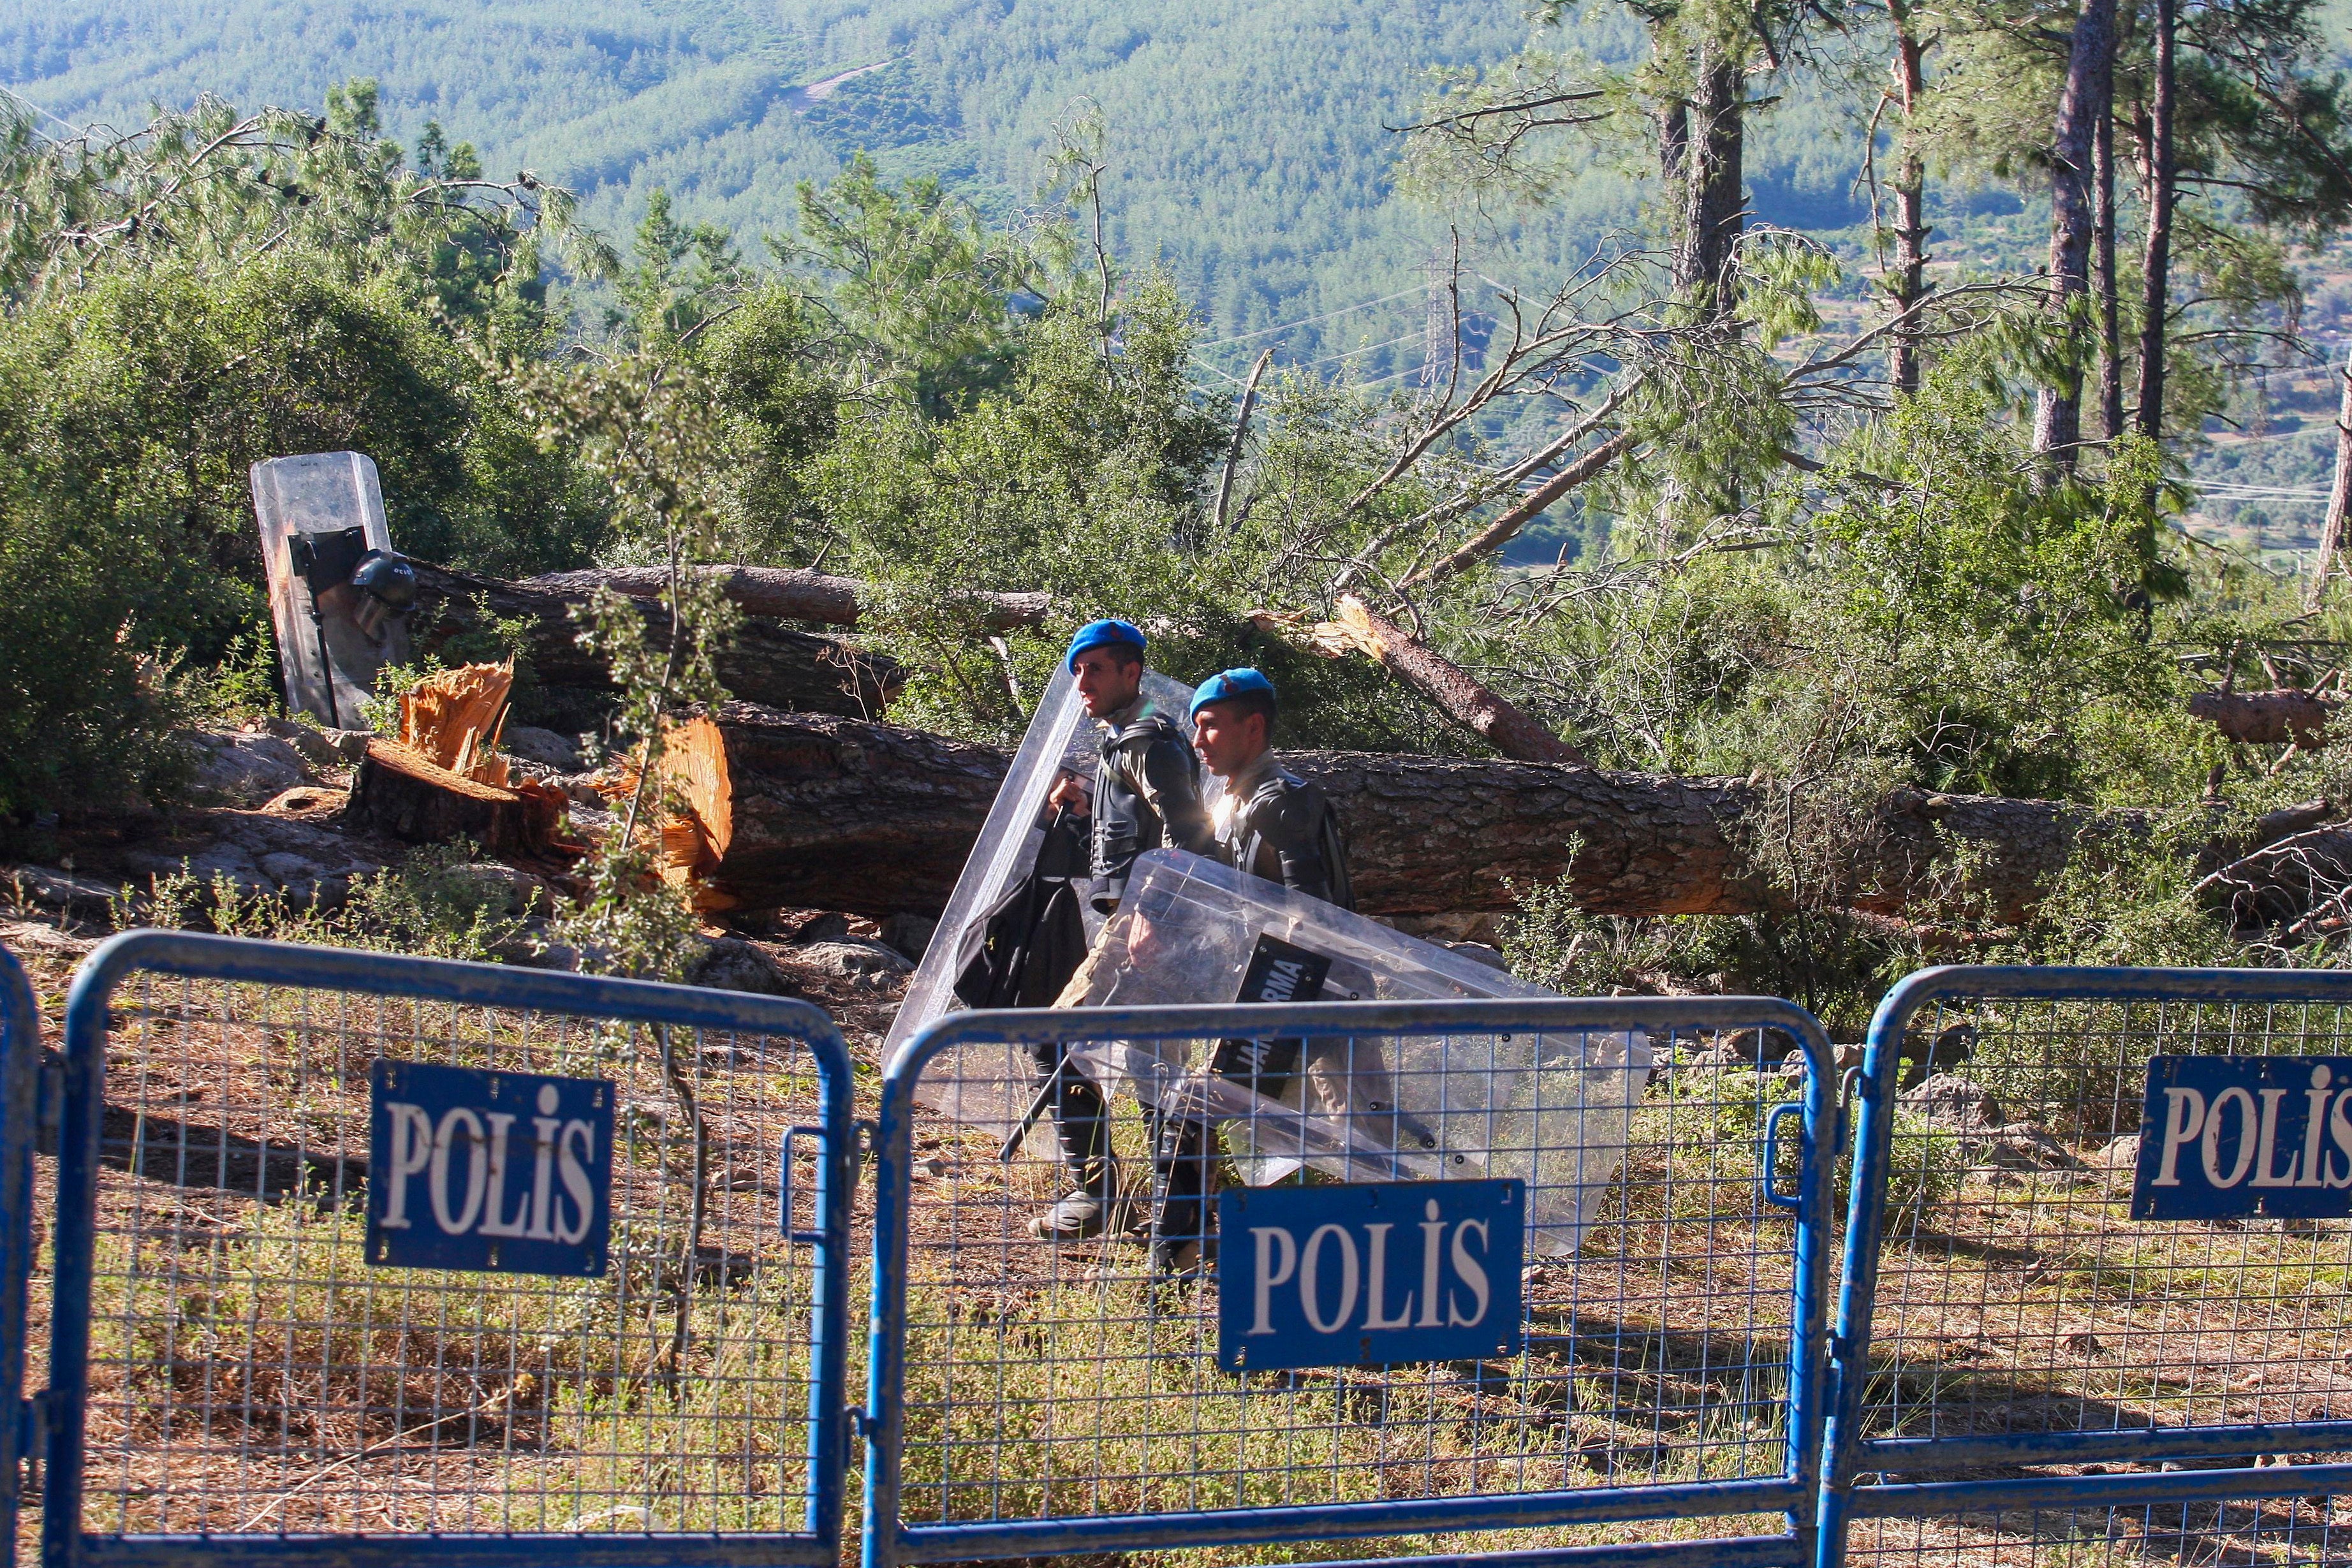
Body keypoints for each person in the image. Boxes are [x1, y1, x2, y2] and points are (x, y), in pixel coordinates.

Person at [1148, 667, 1356, 1276]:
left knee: (1368, 1140)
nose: (1198, 739)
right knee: (1200, 1115)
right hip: (1263, 993)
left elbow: (1314, 918)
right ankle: (1183, 1258)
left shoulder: (1283, 799)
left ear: (1254, 727)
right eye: (1195, 728)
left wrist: (1273, 1007)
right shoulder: (1232, 802)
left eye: (1210, 726)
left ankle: (1385, 1269)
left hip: (1319, 995)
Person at [1027, 620, 1215, 1243]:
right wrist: (1085, 813)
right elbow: (1131, 839)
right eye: (1077, 670)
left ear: (1131, 673)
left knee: (1054, 1041)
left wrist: (1151, 914)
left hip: (1149, 924)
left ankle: (1099, 1194)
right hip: (1145, 919)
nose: (1082, 681)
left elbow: (1188, 831)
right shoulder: (1121, 742)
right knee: (1151, 1065)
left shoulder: (1147, 738)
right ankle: (1181, 1219)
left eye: (1096, 669)